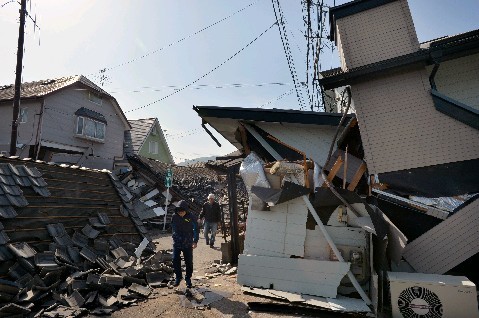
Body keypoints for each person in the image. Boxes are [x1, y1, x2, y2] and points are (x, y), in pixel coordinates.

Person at [170, 200, 198, 288]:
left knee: (188, 261)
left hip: (188, 242)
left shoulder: (191, 217)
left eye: (182, 212)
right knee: (175, 259)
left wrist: (195, 241)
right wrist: (174, 236)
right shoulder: (174, 217)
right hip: (177, 242)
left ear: (186, 210)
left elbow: (196, 229)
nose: (181, 213)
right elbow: (173, 227)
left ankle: (188, 278)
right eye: (179, 212)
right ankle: (178, 277)